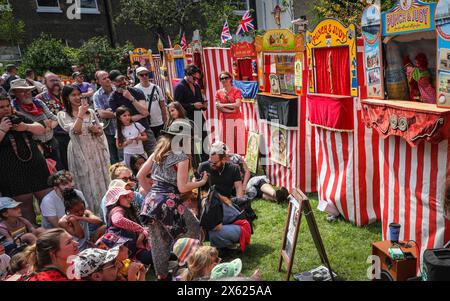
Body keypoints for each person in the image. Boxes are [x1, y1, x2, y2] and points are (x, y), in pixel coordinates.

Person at [138, 119, 208, 280]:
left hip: (151, 202)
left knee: (158, 242)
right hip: (168, 200)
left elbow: (140, 175)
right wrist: (201, 182)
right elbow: (182, 187)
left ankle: (162, 276)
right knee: (193, 230)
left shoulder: (158, 153)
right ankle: (196, 267)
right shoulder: (181, 156)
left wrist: (153, 194)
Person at [58, 85, 110, 215]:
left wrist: (96, 131)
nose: (77, 97)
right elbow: (75, 131)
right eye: (73, 95)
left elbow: (99, 131)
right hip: (79, 150)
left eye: (78, 94)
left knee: (100, 178)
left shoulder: (91, 112)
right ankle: (91, 213)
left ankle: (105, 210)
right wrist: (80, 114)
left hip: (94, 148)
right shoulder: (62, 114)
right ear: (67, 98)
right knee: (86, 179)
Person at [0, 92, 51, 224]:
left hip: (35, 164)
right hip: (12, 170)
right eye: (1, 107)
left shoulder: (18, 116)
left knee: (47, 198)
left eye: (7, 106)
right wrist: (2, 130)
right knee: (24, 205)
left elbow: (41, 129)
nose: (5, 109)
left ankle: (53, 230)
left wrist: (25, 127)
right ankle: (34, 234)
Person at [197, 143, 252, 253]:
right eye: (210, 161)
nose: (211, 164)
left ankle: (224, 240)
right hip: (208, 204)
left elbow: (238, 188)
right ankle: (221, 241)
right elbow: (198, 189)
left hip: (226, 204)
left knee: (235, 217)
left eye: (215, 162)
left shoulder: (233, 168)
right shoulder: (203, 167)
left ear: (224, 159)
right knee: (214, 222)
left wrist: (239, 205)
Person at [10, 79, 63, 170]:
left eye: (28, 90)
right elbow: (20, 127)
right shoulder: (14, 108)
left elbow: (55, 119)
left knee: (60, 170)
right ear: (15, 93)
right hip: (35, 148)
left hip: (51, 143)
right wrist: (42, 124)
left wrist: (48, 126)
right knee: (44, 174)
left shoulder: (38, 102)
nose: (26, 93)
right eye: (22, 91)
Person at [108, 70, 156, 156]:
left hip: (144, 129)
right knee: (132, 162)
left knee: (155, 155)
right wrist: (140, 115)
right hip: (126, 134)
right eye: (118, 81)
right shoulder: (112, 99)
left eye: (123, 79)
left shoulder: (137, 92)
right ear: (112, 83)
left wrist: (131, 98)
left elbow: (145, 112)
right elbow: (122, 119)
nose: (122, 83)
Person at [104, 187, 152, 266]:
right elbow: (118, 220)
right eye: (125, 196)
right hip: (125, 256)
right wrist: (140, 229)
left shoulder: (125, 210)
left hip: (133, 252)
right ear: (116, 200)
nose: (129, 198)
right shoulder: (117, 209)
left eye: (128, 196)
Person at [173, 64, 209, 162]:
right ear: (188, 74)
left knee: (204, 142)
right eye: (194, 78)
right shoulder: (179, 86)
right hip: (187, 118)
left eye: (197, 78)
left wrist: (204, 105)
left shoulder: (196, 86)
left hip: (198, 116)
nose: (196, 80)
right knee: (191, 145)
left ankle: (206, 164)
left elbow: (200, 101)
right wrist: (192, 105)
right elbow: (177, 105)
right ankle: (194, 165)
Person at [36, 72, 70, 170]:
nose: (55, 82)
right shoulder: (40, 99)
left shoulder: (67, 94)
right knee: (62, 166)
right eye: (51, 80)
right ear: (45, 83)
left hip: (71, 133)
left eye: (57, 80)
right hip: (56, 137)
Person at [215, 71, 247, 154]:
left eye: (226, 78)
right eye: (222, 78)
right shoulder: (218, 92)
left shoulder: (236, 91)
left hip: (236, 119)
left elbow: (237, 104)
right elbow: (218, 107)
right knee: (227, 140)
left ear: (230, 79)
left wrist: (223, 105)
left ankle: (239, 160)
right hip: (225, 120)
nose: (224, 80)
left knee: (238, 139)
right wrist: (230, 110)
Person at [93, 70, 121, 164]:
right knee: (114, 160)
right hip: (109, 132)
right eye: (104, 78)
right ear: (98, 81)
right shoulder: (97, 95)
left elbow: (127, 109)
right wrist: (120, 113)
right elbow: (101, 114)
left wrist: (109, 111)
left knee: (125, 158)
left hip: (122, 130)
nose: (107, 79)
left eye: (108, 77)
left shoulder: (118, 89)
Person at [134, 66, 168, 138]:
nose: (144, 76)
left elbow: (162, 104)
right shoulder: (135, 90)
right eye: (142, 75)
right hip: (145, 123)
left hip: (159, 121)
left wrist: (165, 118)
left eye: (146, 74)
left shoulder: (156, 88)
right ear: (137, 76)